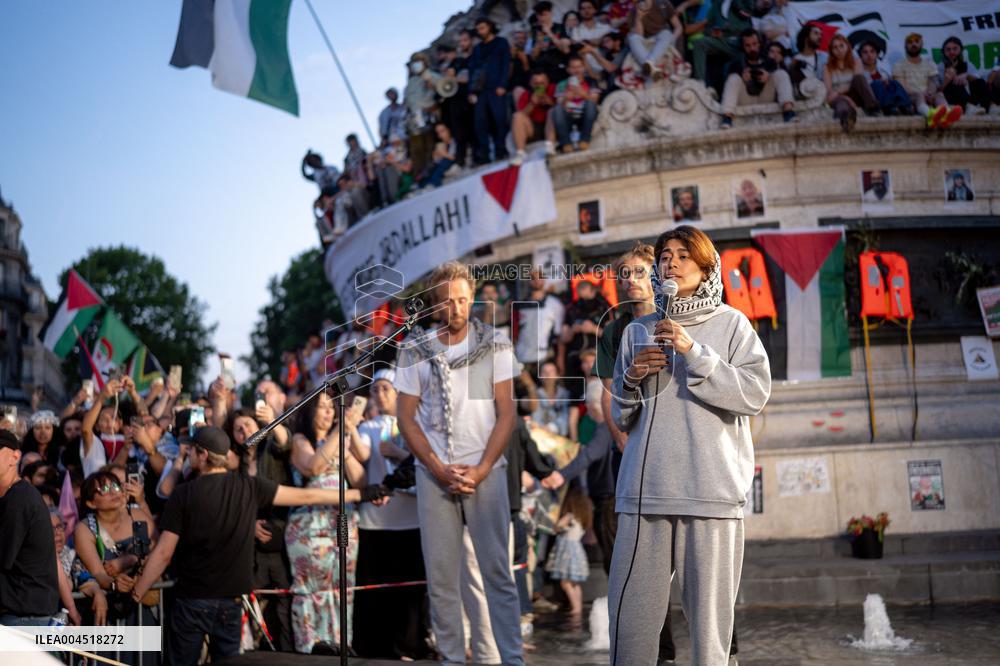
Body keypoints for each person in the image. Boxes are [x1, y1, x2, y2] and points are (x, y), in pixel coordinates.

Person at [608, 225, 770, 664]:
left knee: (710, 635)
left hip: (711, 495)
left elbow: (754, 394)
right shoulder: (637, 331)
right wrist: (631, 378)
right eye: (665, 256)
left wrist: (694, 352)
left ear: (706, 266)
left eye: (683, 255)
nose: (672, 263)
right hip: (645, 495)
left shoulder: (732, 324)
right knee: (629, 628)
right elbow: (622, 416)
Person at [130, 426, 388, 665]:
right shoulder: (249, 486)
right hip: (231, 602)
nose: (188, 456)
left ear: (203, 455)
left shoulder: (183, 494)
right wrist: (362, 494)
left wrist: (136, 593)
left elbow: (164, 553)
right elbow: (308, 495)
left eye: (192, 451)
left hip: (192, 602)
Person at [395, 261, 524, 666]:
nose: (457, 308)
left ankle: (512, 659)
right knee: (442, 579)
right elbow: (405, 417)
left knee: (497, 574)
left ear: (472, 299)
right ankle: (451, 658)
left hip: (487, 473)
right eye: (448, 301)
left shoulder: (494, 343)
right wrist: (436, 467)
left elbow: (507, 414)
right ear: (434, 304)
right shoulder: (414, 348)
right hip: (435, 476)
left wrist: (482, 469)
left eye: (463, 300)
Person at [350, 369, 433, 660]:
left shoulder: (417, 425)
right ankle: (376, 648)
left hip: (411, 518)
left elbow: (425, 460)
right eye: (375, 390)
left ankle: (409, 645)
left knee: (409, 593)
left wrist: (398, 454)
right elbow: (361, 454)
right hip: (376, 521)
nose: (380, 394)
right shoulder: (369, 427)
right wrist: (350, 426)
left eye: (386, 388)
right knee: (376, 591)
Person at [286, 391, 369, 654]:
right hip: (310, 525)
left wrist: (345, 445)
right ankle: (310, 649)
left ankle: (341, 646)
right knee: (312, 590)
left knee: (342, 587)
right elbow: (313, 467)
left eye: (331, 407)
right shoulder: (300, 440)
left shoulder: (339, 440)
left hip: (342, 521)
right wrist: (338, 432)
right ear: (310, 411)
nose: (329, 412)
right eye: (322, 407)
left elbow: (361, 481)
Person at [227, 406, 295, 652]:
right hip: (252, 544)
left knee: (285, 603)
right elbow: (232, 502)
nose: (244, 431)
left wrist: (273, 422)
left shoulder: (271, 449)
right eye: (238, 429)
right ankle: (255, 652)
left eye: (248, 424)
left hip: (281, 538)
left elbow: (285, 443)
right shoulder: (236, 464)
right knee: (253, 601)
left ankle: (288, 654)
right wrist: (250, 524)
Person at [0, 429, 61, 626]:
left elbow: (2, 557)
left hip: (24, 620)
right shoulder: (14, 496)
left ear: (15, 456)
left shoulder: (19, 499)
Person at [720, 28, 795, 129]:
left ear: (759, 44)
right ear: (743, 47)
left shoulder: (769, 61)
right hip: (746, 98)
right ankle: (727, 118)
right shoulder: (736, 64)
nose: (752, 48)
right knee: (733, 78)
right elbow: (728, 86)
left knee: (780, 73)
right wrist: (742, 78)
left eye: (754, 44)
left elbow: (783, 80)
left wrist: (768, 75)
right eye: (748, 45)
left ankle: (789, 112)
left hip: (766, 95)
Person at [893, 33, 960, 129]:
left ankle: (947, 115)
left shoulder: (929, 63)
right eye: (910, 42)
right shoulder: (898, 65)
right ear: (905, 46)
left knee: (939, 94)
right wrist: (922, 94)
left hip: (927, 97)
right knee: (919, 95)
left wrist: (930, 92)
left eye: (917, 41)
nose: (913, 44)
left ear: (921, 44)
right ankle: (930, 116)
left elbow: (933, 81)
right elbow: (902, 87)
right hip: (909, 99)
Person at [468, 17, 511, 165]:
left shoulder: (501, 43)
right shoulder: (477, 49)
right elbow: (472, 71)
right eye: (478, 29)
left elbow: (506, 65)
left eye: (483, 28)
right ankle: (484, 155)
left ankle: (501, 150)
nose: (480, 31)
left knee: (500, 119)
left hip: (496, 88)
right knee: (480, 123)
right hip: (480, 91)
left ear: (489, 27)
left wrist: (502, 85)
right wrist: (471, 92)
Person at [544, 487, 591, 618]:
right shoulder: (582, 519)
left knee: (565, 582)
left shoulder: (570, 516)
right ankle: (578, 607)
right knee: (574, 582)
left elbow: (557, 527)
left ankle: (575, 608)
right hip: (577, 550)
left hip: (567, 551)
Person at [513, 268, 566, 382]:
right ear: (528, 281)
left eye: (540, 277)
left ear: (545, 280)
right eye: (533, 278)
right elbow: (514, 334)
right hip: (522, 357)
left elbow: (559, 335)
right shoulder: (519, 305)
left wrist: (560, 359)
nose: (537, 280)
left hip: (545, 357)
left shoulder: (555, 304)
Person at [823, 33, 880, 132]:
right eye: (835, 47)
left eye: (841, 46)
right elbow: (830, 92)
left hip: (855, 95)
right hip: (839, 98)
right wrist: (845, 97)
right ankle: (846, 119)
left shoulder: (856, 62)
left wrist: (839, 91)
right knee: (841, 103)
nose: (839, 50)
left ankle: (873, 108)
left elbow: (858, 82)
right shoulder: (827, 67)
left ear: (847, 46)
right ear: (831, 51)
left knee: (859, 78)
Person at [692, 0, 754, 85]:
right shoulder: (717, 5)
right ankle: (699, 83)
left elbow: (747, 25)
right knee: (699, 43)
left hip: (741, 44)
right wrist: (712, 32)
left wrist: (729, 29)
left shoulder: (747, 3)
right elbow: (707, 28)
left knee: (749, 48)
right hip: (723, 42)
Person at [551, 54, 601, 153]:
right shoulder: (561, 84)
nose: (576, 70)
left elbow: (594, 102)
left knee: (590, 104)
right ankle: (566, 143)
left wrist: (582, 93)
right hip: (569, 117)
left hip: (585, 117)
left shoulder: (591, 81)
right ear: (568, 70)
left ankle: (585, 140)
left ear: (584, 68)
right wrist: (566, 98)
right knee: (556, 109)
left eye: (579, 67)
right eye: (573, 67)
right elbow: (559, 106)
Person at [405, 52, 441, 177]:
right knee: (416, 148)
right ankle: (419, 175)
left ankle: (432, 171)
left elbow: (443, 90)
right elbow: (409, 100)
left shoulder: (432, 75)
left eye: (418, 62)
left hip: (429, 115)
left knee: (430, 145)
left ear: (425, 62)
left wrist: (433, 87)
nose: (416, 65)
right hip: (414, 119)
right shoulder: (411, 81)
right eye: (414, 63)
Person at [626, 0, 683, 80]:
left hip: (662, 39)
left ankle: (649, 64)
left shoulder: (664, 4)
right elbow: (639, 36)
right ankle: (652, 68)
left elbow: (678, 27)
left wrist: (672, 39)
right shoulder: (633, 11)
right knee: (632, 38)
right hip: (646, 42)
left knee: (666, 33)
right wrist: (638, 18)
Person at [510, 69, 557, 165]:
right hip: (534, 128)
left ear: (547, 82)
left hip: (552, 126)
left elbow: (563, 109)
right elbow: (521, 116)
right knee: (517, 116)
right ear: (530, 84)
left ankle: (550, 146)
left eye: (542, 83)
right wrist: (532, 103)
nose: (539, 86)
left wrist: (550, 102)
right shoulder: (526, 95)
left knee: (552, 111)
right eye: (536, 84)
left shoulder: (554, 88)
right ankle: (520, 153)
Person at [938, 36, 992, 114]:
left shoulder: (967, 64)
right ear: (944, 52)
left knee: (980, 82)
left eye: (955, 49)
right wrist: (948, 79)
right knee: (955, 82)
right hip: (953, 98)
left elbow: (979, 79)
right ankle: (968, 107)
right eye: (948, 50)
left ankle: (987, 107)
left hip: (970, 95)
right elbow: (938, 90)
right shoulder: (941, 66)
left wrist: (966, 75)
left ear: (960, 50)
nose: (952, 52)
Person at [858, 41, 913, 116]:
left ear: (877, 54)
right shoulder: (858, 69)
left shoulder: (884, 66)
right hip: (871, 99)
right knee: (877, 84)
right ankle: (887, 108)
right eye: (865, 52)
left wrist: (887, 81)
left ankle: (906, 106)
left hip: (887, 95)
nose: (869, 55)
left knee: (894, 83)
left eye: (872, 51)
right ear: (860, 56)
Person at [529, 2, 571, 83]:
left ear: (551, 13)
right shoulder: (536, 30)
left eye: (544, 14)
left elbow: (565, 50)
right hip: (542, 70)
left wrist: (549, 33)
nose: (541, 18)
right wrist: (539, 42)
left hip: (558, 67)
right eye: (538, 15)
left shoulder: (560, 27)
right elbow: (533, 56)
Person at [572, 0, 614, 73]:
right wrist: (598, 41)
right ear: (579, 11)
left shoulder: (606, 28)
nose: (586, 11)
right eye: (583, 8)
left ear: (595, 10)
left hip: (605, 69)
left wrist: (587, 42)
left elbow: (611, 47)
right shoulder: (575, 30)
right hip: (585, 71)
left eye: (589, 8)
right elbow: (578, 50)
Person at [532, 360, 571, 436]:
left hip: (561, 438)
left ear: (557, 375)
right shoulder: (535, 395)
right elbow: (535, 418)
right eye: (544, 372)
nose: (548, 374)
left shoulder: (565, 394)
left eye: (551, 371)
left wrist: (551, 427)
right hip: (539, 436)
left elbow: (565, 417)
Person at [790, 23, 827, 98]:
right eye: (816, 33)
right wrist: (792, 66)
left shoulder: (824, 57)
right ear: (806, 37)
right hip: (802, 95)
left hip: (821, 93)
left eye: (821, 34)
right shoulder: (795, 59)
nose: (820, 37)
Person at [418, 122, 457, 188]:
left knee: (446, 161)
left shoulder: (454, 141)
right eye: (438, 133)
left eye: (442, 131)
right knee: (426, 173)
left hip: (450, 164)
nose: (441, 135)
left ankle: (433, 183)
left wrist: (443, 154)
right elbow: (436, 163)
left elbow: (454, 158)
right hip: (439, 167)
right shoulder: (440, 145)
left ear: (448, 130)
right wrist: (436, 157)